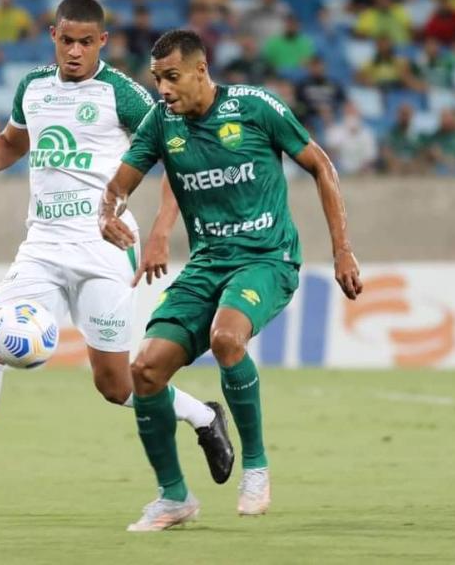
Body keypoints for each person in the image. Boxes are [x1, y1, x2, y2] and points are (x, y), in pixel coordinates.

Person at [0, 0, 232, 516]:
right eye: (66, 40)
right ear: (53, 35)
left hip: (103, 248)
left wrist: (160, 231)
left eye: (85, 42)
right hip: (42, 246)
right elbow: (10, 144)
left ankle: (202, 416)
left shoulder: (123, 95)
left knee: (115, 386)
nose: (74, 51)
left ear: (102, 43)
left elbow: (175, 153)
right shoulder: (33, 88)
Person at [98, 29, 363, 532]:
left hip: (267, 257)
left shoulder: (256, 107)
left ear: (202, 70)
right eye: (157, 80)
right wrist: (108, 215)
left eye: (172, 77)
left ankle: (257, 466)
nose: (163, 90)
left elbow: (321, 167)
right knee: (146, 370)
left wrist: (343, 251)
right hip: (207, 263)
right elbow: (117, 187)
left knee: (226, 337)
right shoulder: (161, 123)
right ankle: (173, 497)